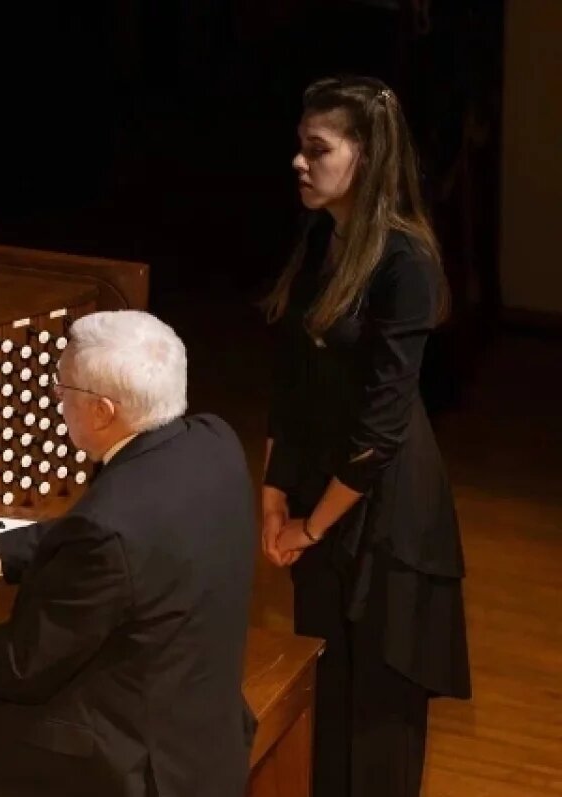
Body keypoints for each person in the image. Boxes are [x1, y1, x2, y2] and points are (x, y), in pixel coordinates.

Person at [0, 309, 259, 797]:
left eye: (64, 388)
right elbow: (112, 542)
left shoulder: (108, 531)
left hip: (134, 769)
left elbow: (21, 669)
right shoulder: (213, 440)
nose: (57, 399)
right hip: (200, 728)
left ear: (102, 411)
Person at [259, 75, 472, 797]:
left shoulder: (405, 260)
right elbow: (293, 377)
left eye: (317, 150)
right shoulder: (321, 234)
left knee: (377, 717)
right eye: (299, 146)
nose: (299, 162)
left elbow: (381, 425)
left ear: (366, 156)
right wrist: (273, 495)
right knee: (325, 696)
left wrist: (311, 527)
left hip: (383, 511)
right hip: (321, 488)